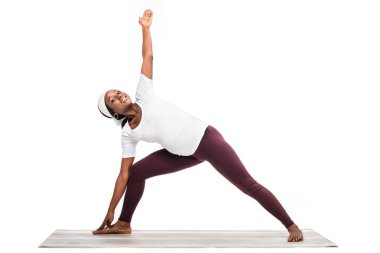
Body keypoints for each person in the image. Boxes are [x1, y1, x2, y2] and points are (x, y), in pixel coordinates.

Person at [92, 9, 303, 242]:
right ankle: (123, 223)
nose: (119, 95)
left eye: (118, 91)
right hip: (182, 154)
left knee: (247, 185)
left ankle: (291, 225)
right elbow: (123, 175)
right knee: (136, 172)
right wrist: (110, 210)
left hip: (206, 140)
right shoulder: (128, 134)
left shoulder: (143, 94)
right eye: (113, 99)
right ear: (114, 112)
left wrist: (145, 29)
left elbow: (148, 57)